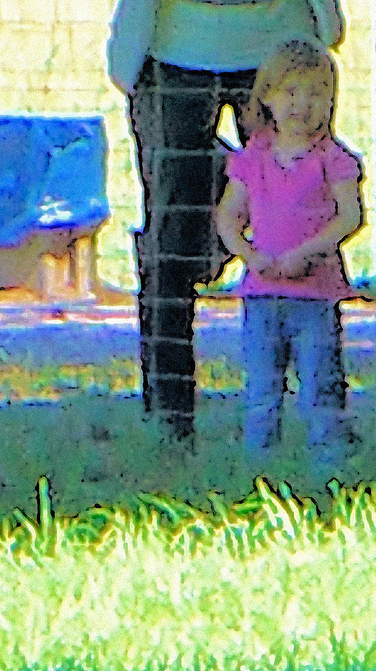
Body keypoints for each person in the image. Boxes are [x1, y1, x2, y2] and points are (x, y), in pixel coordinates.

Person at [106, 0, 345, 443]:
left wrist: (324, 21)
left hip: (276, 49)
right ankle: (169, 418)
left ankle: (324, 417)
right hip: (174, 53)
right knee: (172, 243)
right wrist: (128, 53)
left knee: (305, 215)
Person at [215, 40, 364, 478]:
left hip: (314, 295)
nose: (303, 105)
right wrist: (250, 255)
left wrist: (306, 253)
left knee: (320, 385)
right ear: (267, 97)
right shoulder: (253, 158)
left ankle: (330, 470)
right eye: (291, 93)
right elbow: (229, 215)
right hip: (262, 293)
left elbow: (349, 217)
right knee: (261, 387)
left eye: (316, 93)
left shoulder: (333, 160)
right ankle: (257, 473)